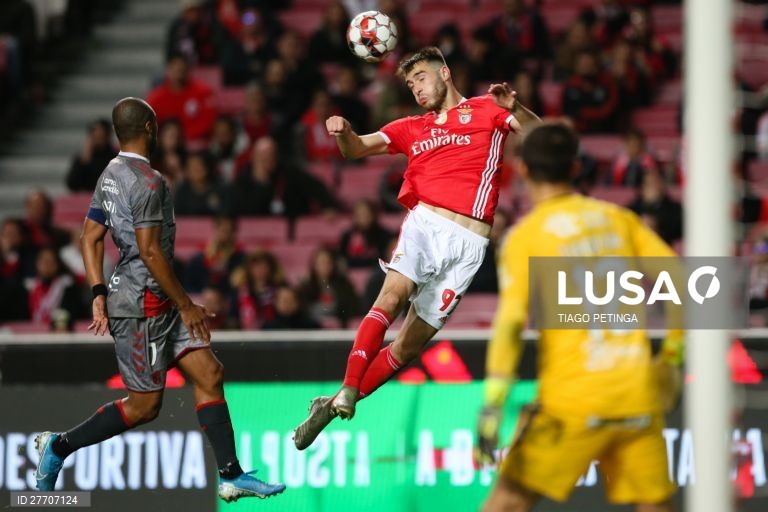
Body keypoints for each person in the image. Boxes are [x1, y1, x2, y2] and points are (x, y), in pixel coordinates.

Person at [34, 97, 285, 502]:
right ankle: (58, 446)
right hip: (142, 308)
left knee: (209, 373)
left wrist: (97, 292)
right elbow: (150, 252)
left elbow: (90, 236)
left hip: (154, 299)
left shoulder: (110, 173)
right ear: (150, 127)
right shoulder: (149, 182)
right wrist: (186, 304)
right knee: (144, 407)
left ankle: (231, 475)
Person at [292, 46, 540, 449]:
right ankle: (350, 387)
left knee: (408, 346)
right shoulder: (410, 127)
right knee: (391, 296)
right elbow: (357, 149)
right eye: (410, 84)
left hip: (470, 244)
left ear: (444, 73)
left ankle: (334, 403)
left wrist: (517, 108)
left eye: (421, 78)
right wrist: (344, 133)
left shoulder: (487, 108)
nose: (416, 89)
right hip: (426, 224)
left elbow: (540, 137)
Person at [476, 123, 683, 512]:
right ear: (575, 168)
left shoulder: (526, 237)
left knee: (508, 503)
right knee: (655, 506)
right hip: (635, 394)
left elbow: (510, 323)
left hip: (571, 402)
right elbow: (680, 278)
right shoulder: (618, 219)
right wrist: (672, 357)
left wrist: (493, 402)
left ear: (522, 170)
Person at [66, 119, 118, 192]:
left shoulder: (115, 158)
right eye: (94, 135)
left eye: (100, 135)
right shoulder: (83, 157)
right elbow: (72, 184)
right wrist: (83, 162)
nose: (97, 137)